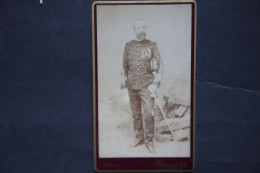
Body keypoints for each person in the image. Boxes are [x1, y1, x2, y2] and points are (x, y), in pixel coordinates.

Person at [120, 19, 164, 154]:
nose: (142, 30)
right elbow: (124, 66)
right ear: (135, 30)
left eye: (144, 27)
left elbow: (161, 65)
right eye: (139, 28)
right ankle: (139, 138)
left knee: (149, 114)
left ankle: (149, 141)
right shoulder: (128, 46)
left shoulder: (152, 45)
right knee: (136, 114)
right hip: (132, 85)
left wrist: (155, 84)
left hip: (147, 85)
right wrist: (123, 81)